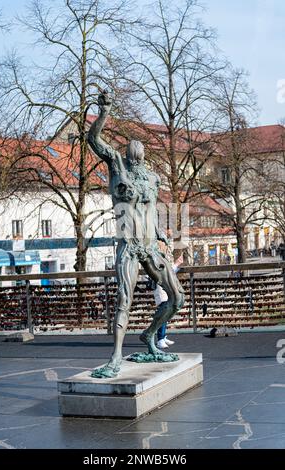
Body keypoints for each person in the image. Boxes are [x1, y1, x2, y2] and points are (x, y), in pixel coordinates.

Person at [87, 91, 185, 378]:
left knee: (177, 299)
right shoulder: (117, 166)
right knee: (124, 301)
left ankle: (149, 335)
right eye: (134, 148)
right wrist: (103, 112)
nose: (136, 149)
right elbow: (94, 141)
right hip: (129, 246)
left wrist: (160, 232)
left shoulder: (153, 178)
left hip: (151, 247)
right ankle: (116, 357)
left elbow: (151, 210)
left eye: (139, 148)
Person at [154, 254, 184, 349]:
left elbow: (169, 273)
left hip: (164, 291)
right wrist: (176, 263)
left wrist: (176, 264)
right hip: (161, 291)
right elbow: (167, 273)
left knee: (165, 315)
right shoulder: (156, 263)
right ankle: (160, 339)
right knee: (163, 315)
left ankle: (162, 336)